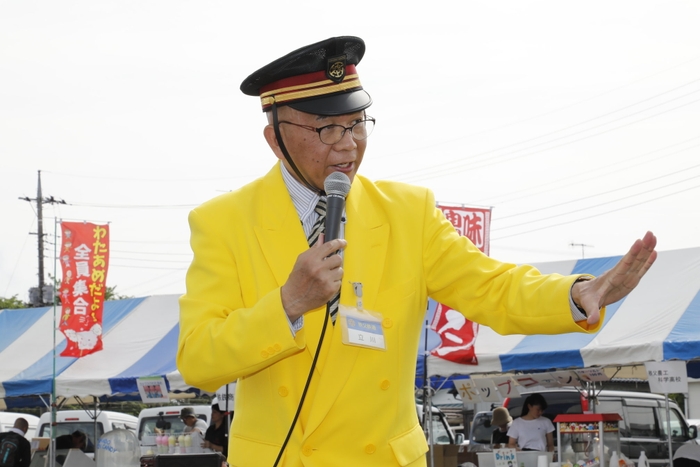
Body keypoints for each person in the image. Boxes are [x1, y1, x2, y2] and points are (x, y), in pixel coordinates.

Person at [176, 35, 658, 467]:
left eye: (357, 123)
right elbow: (199, 357)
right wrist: (287, 305)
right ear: (275, 139)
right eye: (327, 130)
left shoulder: (408, 212)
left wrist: (576, 295)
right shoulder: (223, 221)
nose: (348, 145)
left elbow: (492, 287)